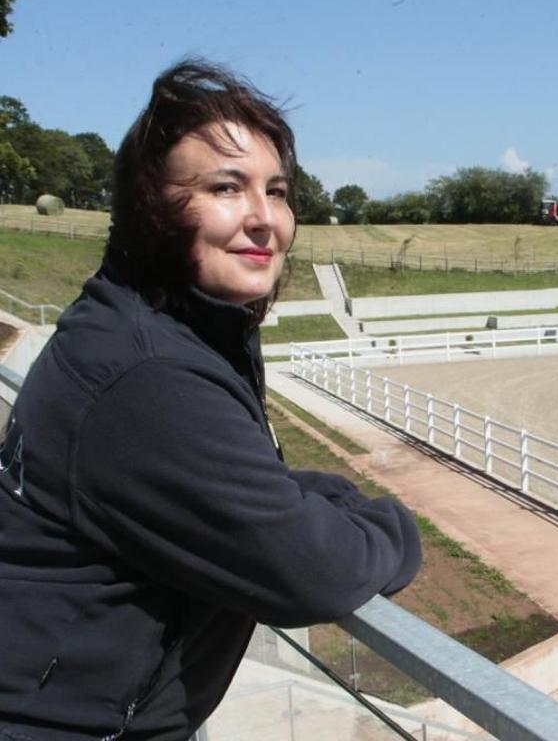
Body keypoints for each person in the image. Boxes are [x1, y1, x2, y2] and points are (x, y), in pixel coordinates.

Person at [0, 60, 422, 740]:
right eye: (226, 187)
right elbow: (312, 573)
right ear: (152, 206)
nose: (265, 218)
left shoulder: (150, 325)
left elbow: (231, 482)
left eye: (277, 190)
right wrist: (395, 527)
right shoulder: (147, 374)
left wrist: (314, 496)